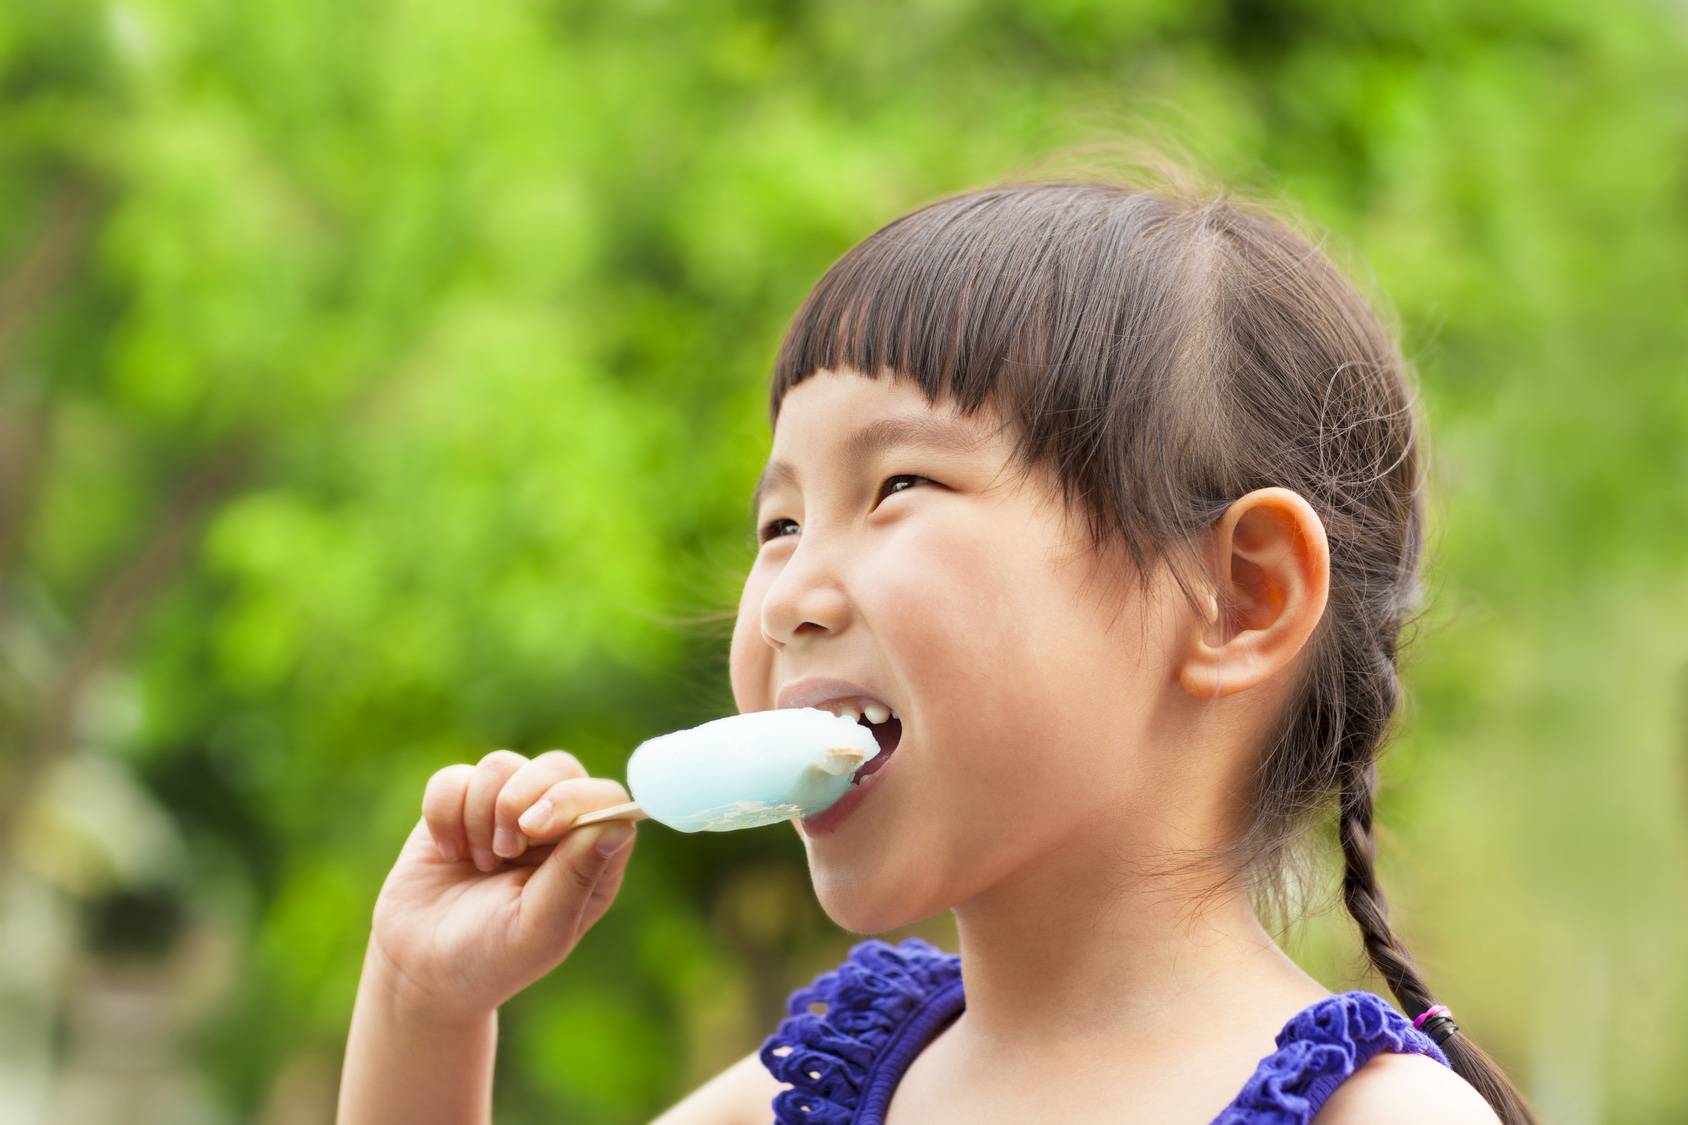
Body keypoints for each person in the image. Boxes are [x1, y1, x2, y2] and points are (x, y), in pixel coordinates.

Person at [337, 152, 1539, 1124]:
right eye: (779, 522)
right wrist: (421, 1004)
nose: (786, 595)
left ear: (1236, 596)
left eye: (899, 484)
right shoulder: (817, 1085)